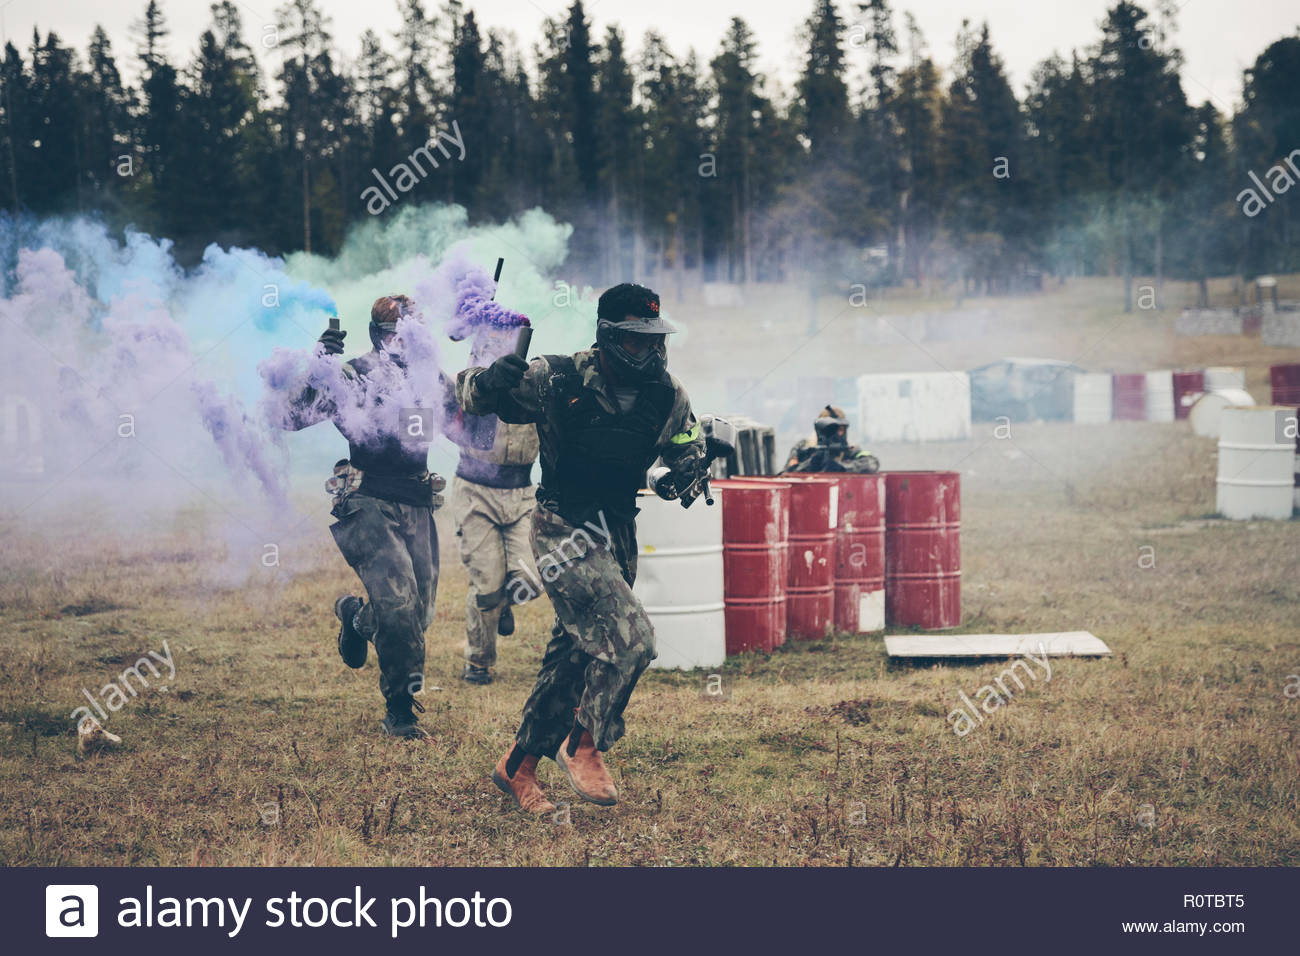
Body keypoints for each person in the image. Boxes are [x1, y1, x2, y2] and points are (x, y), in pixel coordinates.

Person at [457, 282, 708, 815]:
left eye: (655, 340)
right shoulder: (556, 378)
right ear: (610, 337)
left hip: (618, 531)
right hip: (563, 527)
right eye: (638, 342)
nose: (650, 352)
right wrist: (490, 379)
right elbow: (469, 397)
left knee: (574, 659)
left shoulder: (667, 394)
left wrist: (689, 466)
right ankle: (585, 742)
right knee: (633, 641)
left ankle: (517, 768)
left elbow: (686, 445)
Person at [280, 295, 447, 740]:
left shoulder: (431, 379)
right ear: (377, 334)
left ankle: (355, 616)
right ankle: (399, 711)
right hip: (368, 499)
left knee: (418, 617)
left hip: (416, 500)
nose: (402, 345)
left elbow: (476, 426)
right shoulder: (354, 374)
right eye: (394, 335)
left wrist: (497, 376)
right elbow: (289, 417)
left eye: (410, 337)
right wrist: (318, 364)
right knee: (397, 610)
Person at [447, 319, 541, 686]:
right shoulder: (474, 385)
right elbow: (467, 398)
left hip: (522, 494)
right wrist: (486, 379)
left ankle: (505, 604)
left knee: (531, 579)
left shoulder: (535, 384)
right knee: (487, 583)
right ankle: (479, 661)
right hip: (476, 491)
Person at [781, 405, 880, 474]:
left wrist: (841, 467)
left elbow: (872, 463)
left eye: (841, 429)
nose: (838, 434)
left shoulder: (850, 449)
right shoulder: (803, 447)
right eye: (832, 430)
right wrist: (808, 465)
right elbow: (785, 475)